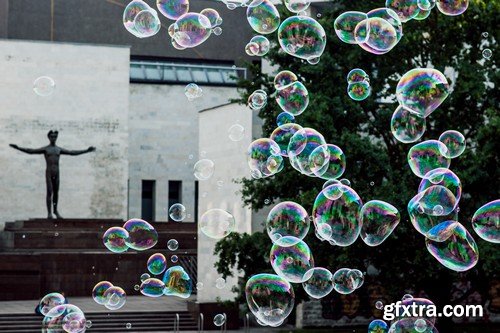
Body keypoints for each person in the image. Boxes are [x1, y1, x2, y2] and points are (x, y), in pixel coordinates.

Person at [10, 130, 95, 219]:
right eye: (52, 137)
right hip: (49, 172)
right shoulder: (46, 149)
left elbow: (72, 152)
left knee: (56, 193)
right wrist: (18, 148)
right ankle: (49, 213)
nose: (53, 138)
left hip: (57, 172)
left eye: (55, 137)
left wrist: (86, 150)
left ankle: (55, 210)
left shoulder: (58, 149)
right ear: (49, 137)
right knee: (49, 192)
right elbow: (31, 151)